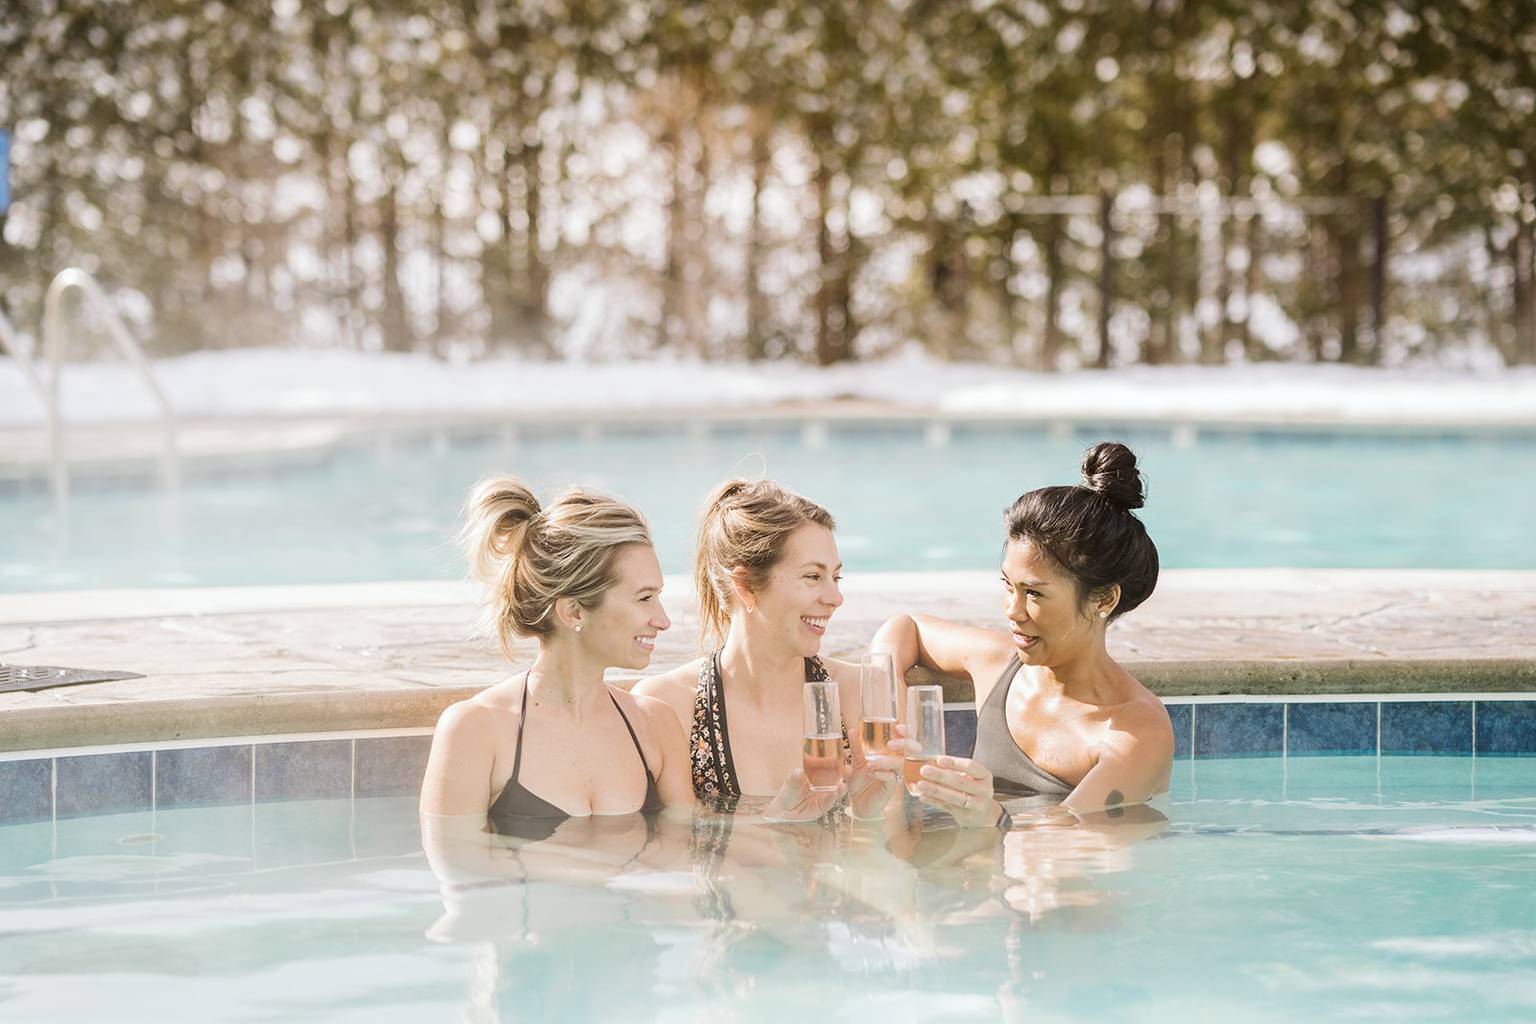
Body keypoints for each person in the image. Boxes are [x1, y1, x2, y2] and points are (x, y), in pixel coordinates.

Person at [421, 476, 839, 837]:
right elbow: (462, 882)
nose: (662, 620)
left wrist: (780, 821)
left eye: (658, 597)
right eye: (644, 598)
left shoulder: (654, 726)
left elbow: (690, 857)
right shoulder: (475, 732)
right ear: (573, 611)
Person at [870, 442, 1173, 819]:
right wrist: (886, 726)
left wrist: (990, 816)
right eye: (1008, 585)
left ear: (1104, 600)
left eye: (1034, 593)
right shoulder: (1000, 666)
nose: (1012, 610)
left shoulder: (1136, 731)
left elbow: (1068, 847)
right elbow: (905, 628)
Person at [636, 479, 902, 818]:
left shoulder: (859, 696)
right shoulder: (669, 706)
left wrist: (869, 816)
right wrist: (777, 824)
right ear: (745, 586)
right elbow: (667, 851)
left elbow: (896, 856)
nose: (835, 598)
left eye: (836, 578)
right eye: (812, 577)